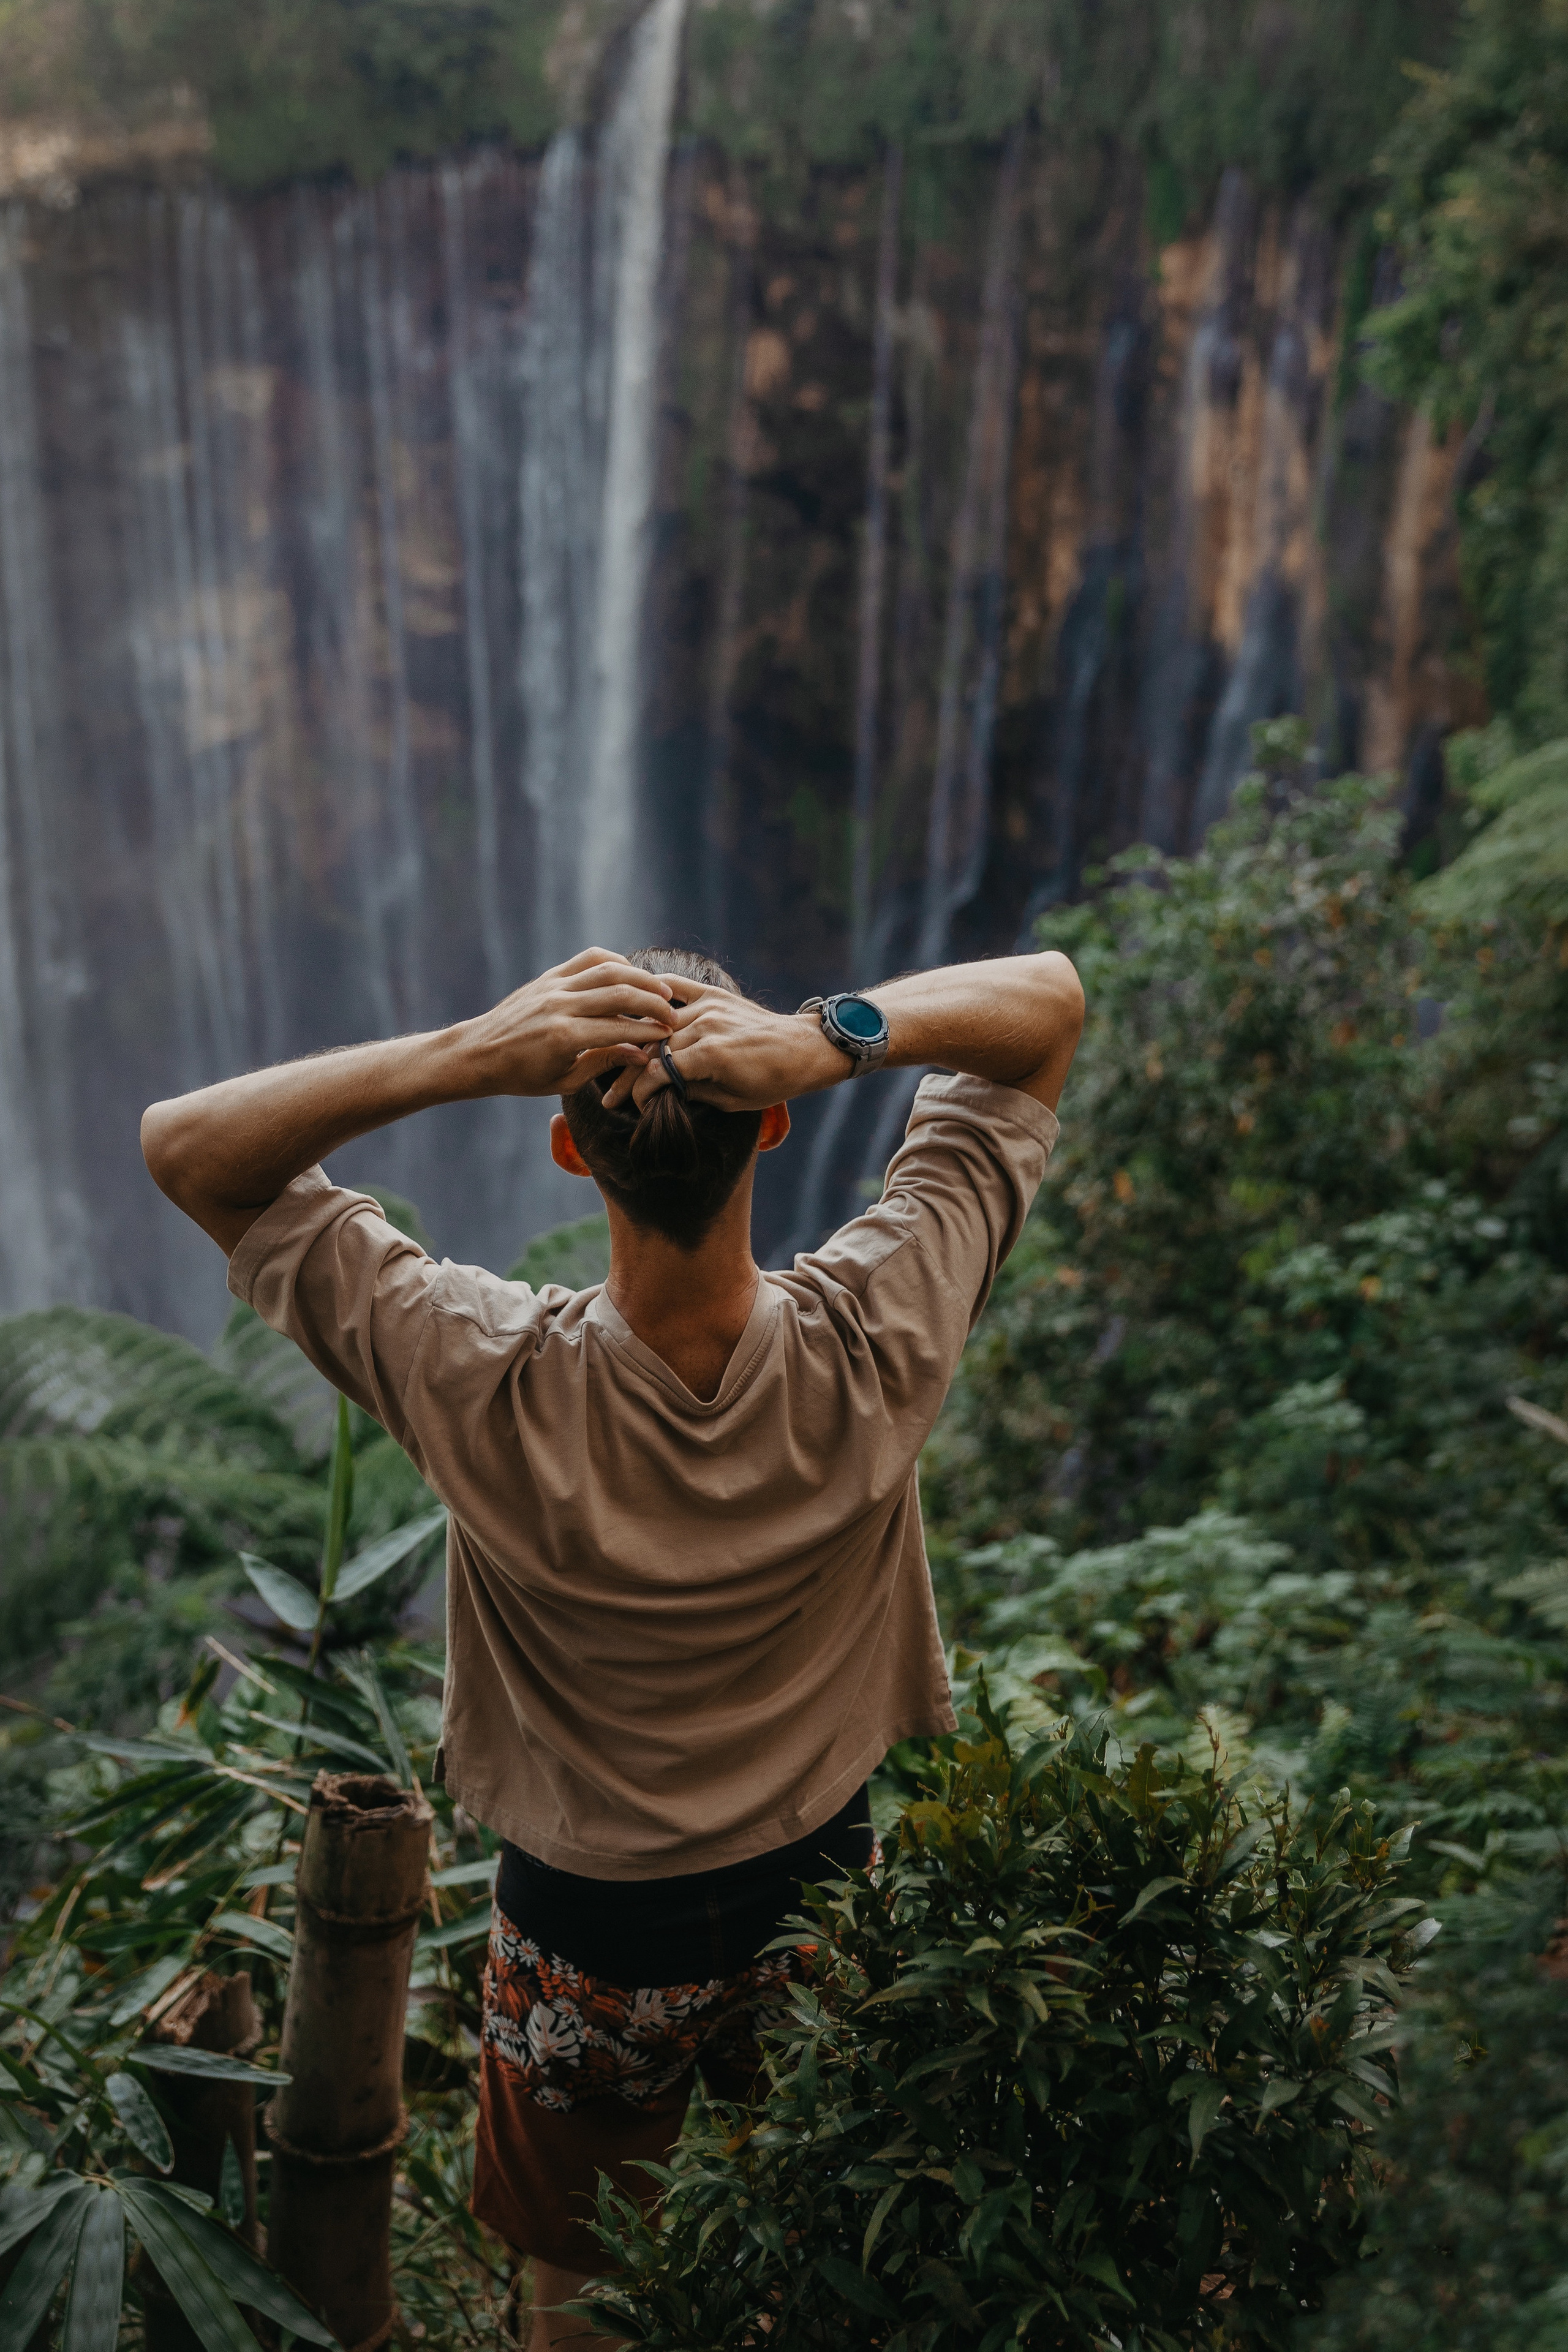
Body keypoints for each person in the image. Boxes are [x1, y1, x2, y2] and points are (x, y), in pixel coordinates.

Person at [141, 941, 1084, 2346]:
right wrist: (826, 1036)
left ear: (568, 1154)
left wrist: (475, 1044)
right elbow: (1046, 1006)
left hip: (585, 1926)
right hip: (820, 1888)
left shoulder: (477, 1372)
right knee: (823, 2239)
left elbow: (188, 1148)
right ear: (771, 1121)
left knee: (576, 2280)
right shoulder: (881, 1330)